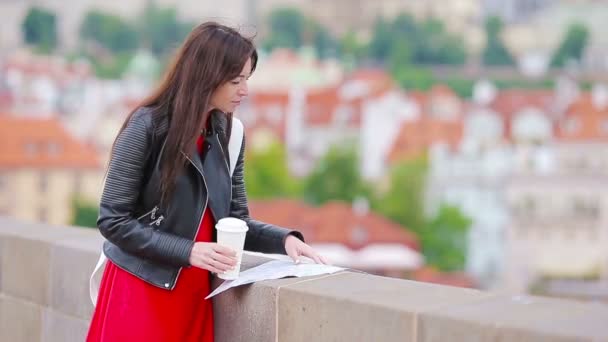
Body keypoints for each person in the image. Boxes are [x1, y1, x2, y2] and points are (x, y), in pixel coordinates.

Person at [87, 22, 327, 342]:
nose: (244, 90)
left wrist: (284, 241)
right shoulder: (146, 127)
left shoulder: (230, 133)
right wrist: (188, 251)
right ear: (206, 77)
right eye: (235, 81)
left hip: (194, 296)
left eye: (246, 79)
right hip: (142, 291)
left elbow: (235, 222)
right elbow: (112, 220)